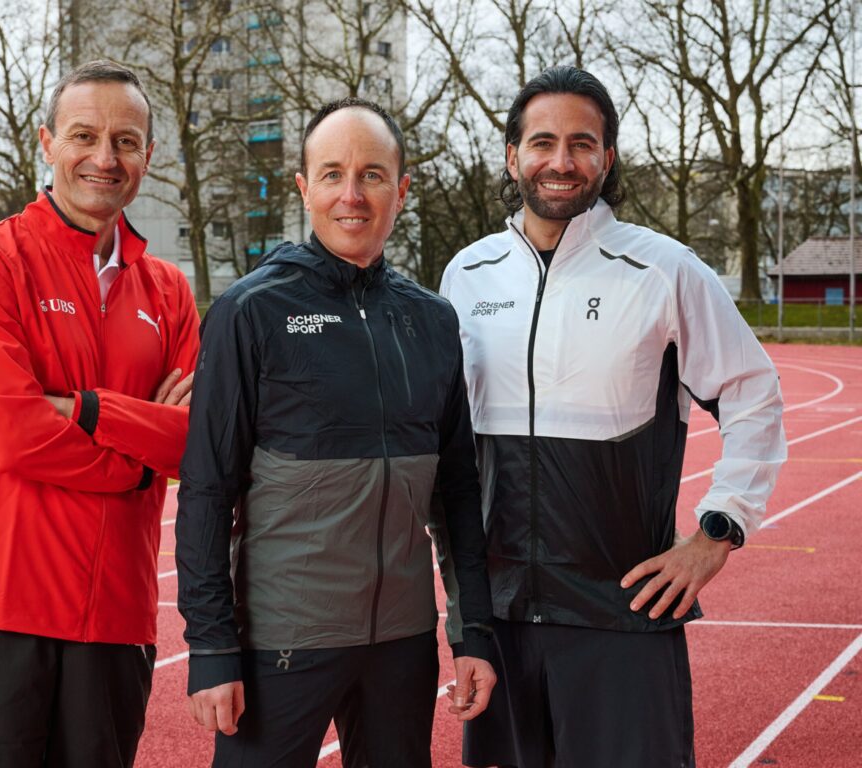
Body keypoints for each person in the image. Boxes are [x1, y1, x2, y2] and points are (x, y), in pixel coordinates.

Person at [439, 65, 787, 768]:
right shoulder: (465, 275)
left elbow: (754, 393)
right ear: (512, 157)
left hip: (622, 614)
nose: (560, 162)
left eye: (581, 143)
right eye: (542, 142)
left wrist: (718, 531)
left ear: (608, 156)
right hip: (499, 618)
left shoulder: (665, 270)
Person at [176, 97, 497, 768]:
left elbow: (460, 494)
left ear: (401, 189)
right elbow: (206, 490)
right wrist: (211, 647)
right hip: (282, 646)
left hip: (402, 647)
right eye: (331, 174)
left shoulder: (432, 321)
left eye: (372, 175)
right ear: (304, 188)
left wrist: (473, 636)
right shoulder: (249, 312)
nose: (351, 195)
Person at [0, 60, 200, 767]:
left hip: (115, 614)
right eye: (84, 135)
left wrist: (84, 409)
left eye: (126, 141)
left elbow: (196, 443)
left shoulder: (170, 292)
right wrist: (135, 465)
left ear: (148, 155)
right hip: (2, 603)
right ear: (47, 142)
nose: (104, 158)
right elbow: (9, 434)